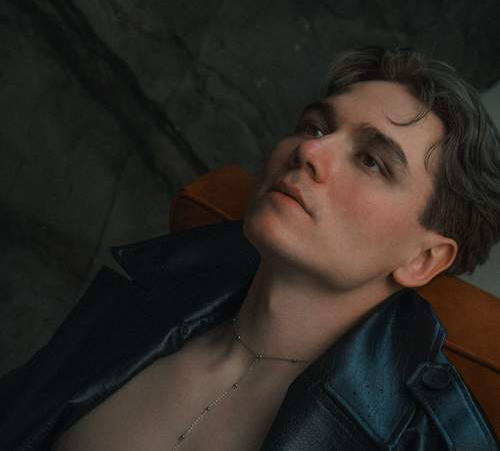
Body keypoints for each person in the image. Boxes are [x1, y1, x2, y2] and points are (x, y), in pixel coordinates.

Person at [1, 46, 499, 450]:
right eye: (315, 126)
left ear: (422, 260)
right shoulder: (146, 300)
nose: (309, 151)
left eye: (371, 161)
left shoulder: (425, 441)